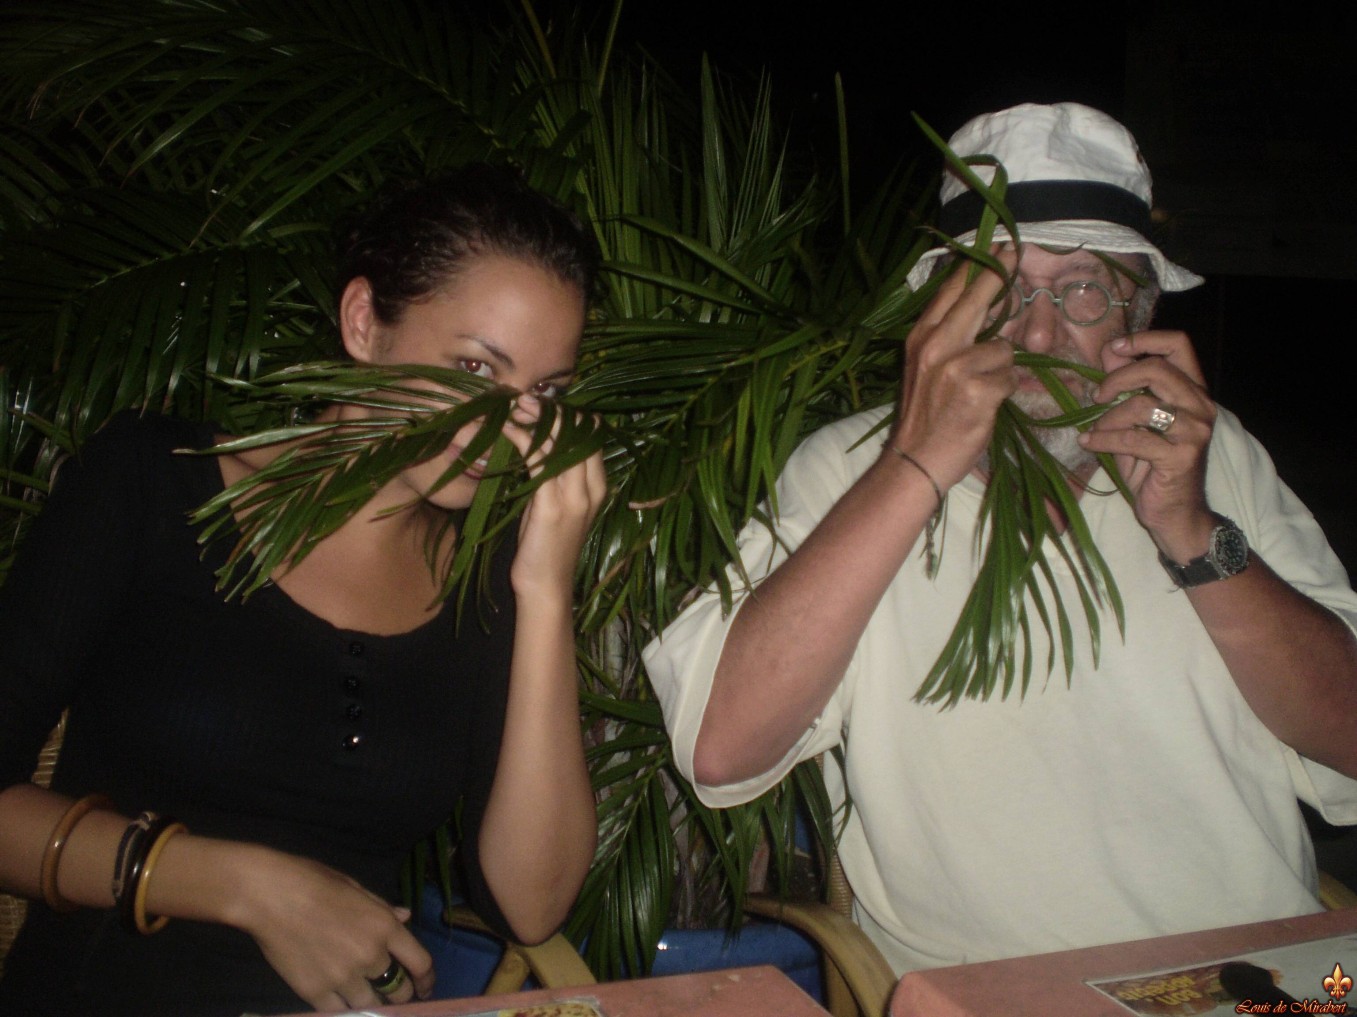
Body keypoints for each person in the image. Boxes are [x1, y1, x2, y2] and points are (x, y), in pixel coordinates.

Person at [643, 103, 1357, 975]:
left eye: (1083, 288)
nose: (1039, 334)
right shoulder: (850, 466)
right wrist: (914, 466)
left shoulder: (1213, 451)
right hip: (995, 990)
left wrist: (1193, 531)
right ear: (942, 313)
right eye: (1001, 291)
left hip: (1261, 984)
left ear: (1137, 312)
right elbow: (720, 750)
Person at [0, 164, 605, 1015]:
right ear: (364, 323)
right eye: (474, 366)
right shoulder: (152, 483)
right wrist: (249, 887)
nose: (507, 425)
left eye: (544, 392)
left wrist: (544, 589)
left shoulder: (491, 578)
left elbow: (532, 904)